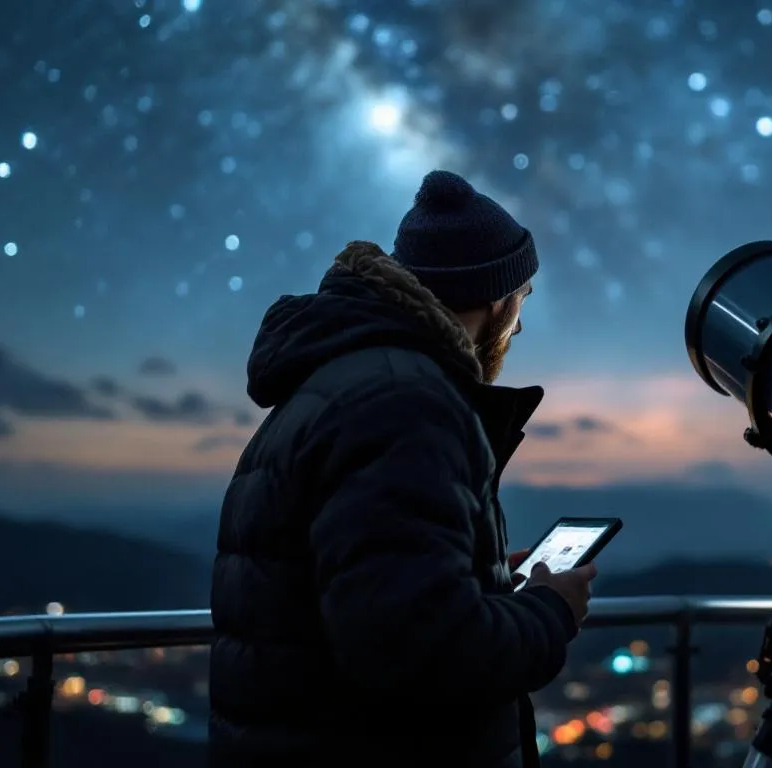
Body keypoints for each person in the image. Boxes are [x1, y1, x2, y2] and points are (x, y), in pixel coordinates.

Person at [209, 170, 597, 767]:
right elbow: (418, 649)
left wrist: (487, 580)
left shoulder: (342, 382)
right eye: (521, 301)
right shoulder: (403, 402)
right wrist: (548, 609)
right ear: (495, 297)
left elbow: (376, 590)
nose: (518, 325)